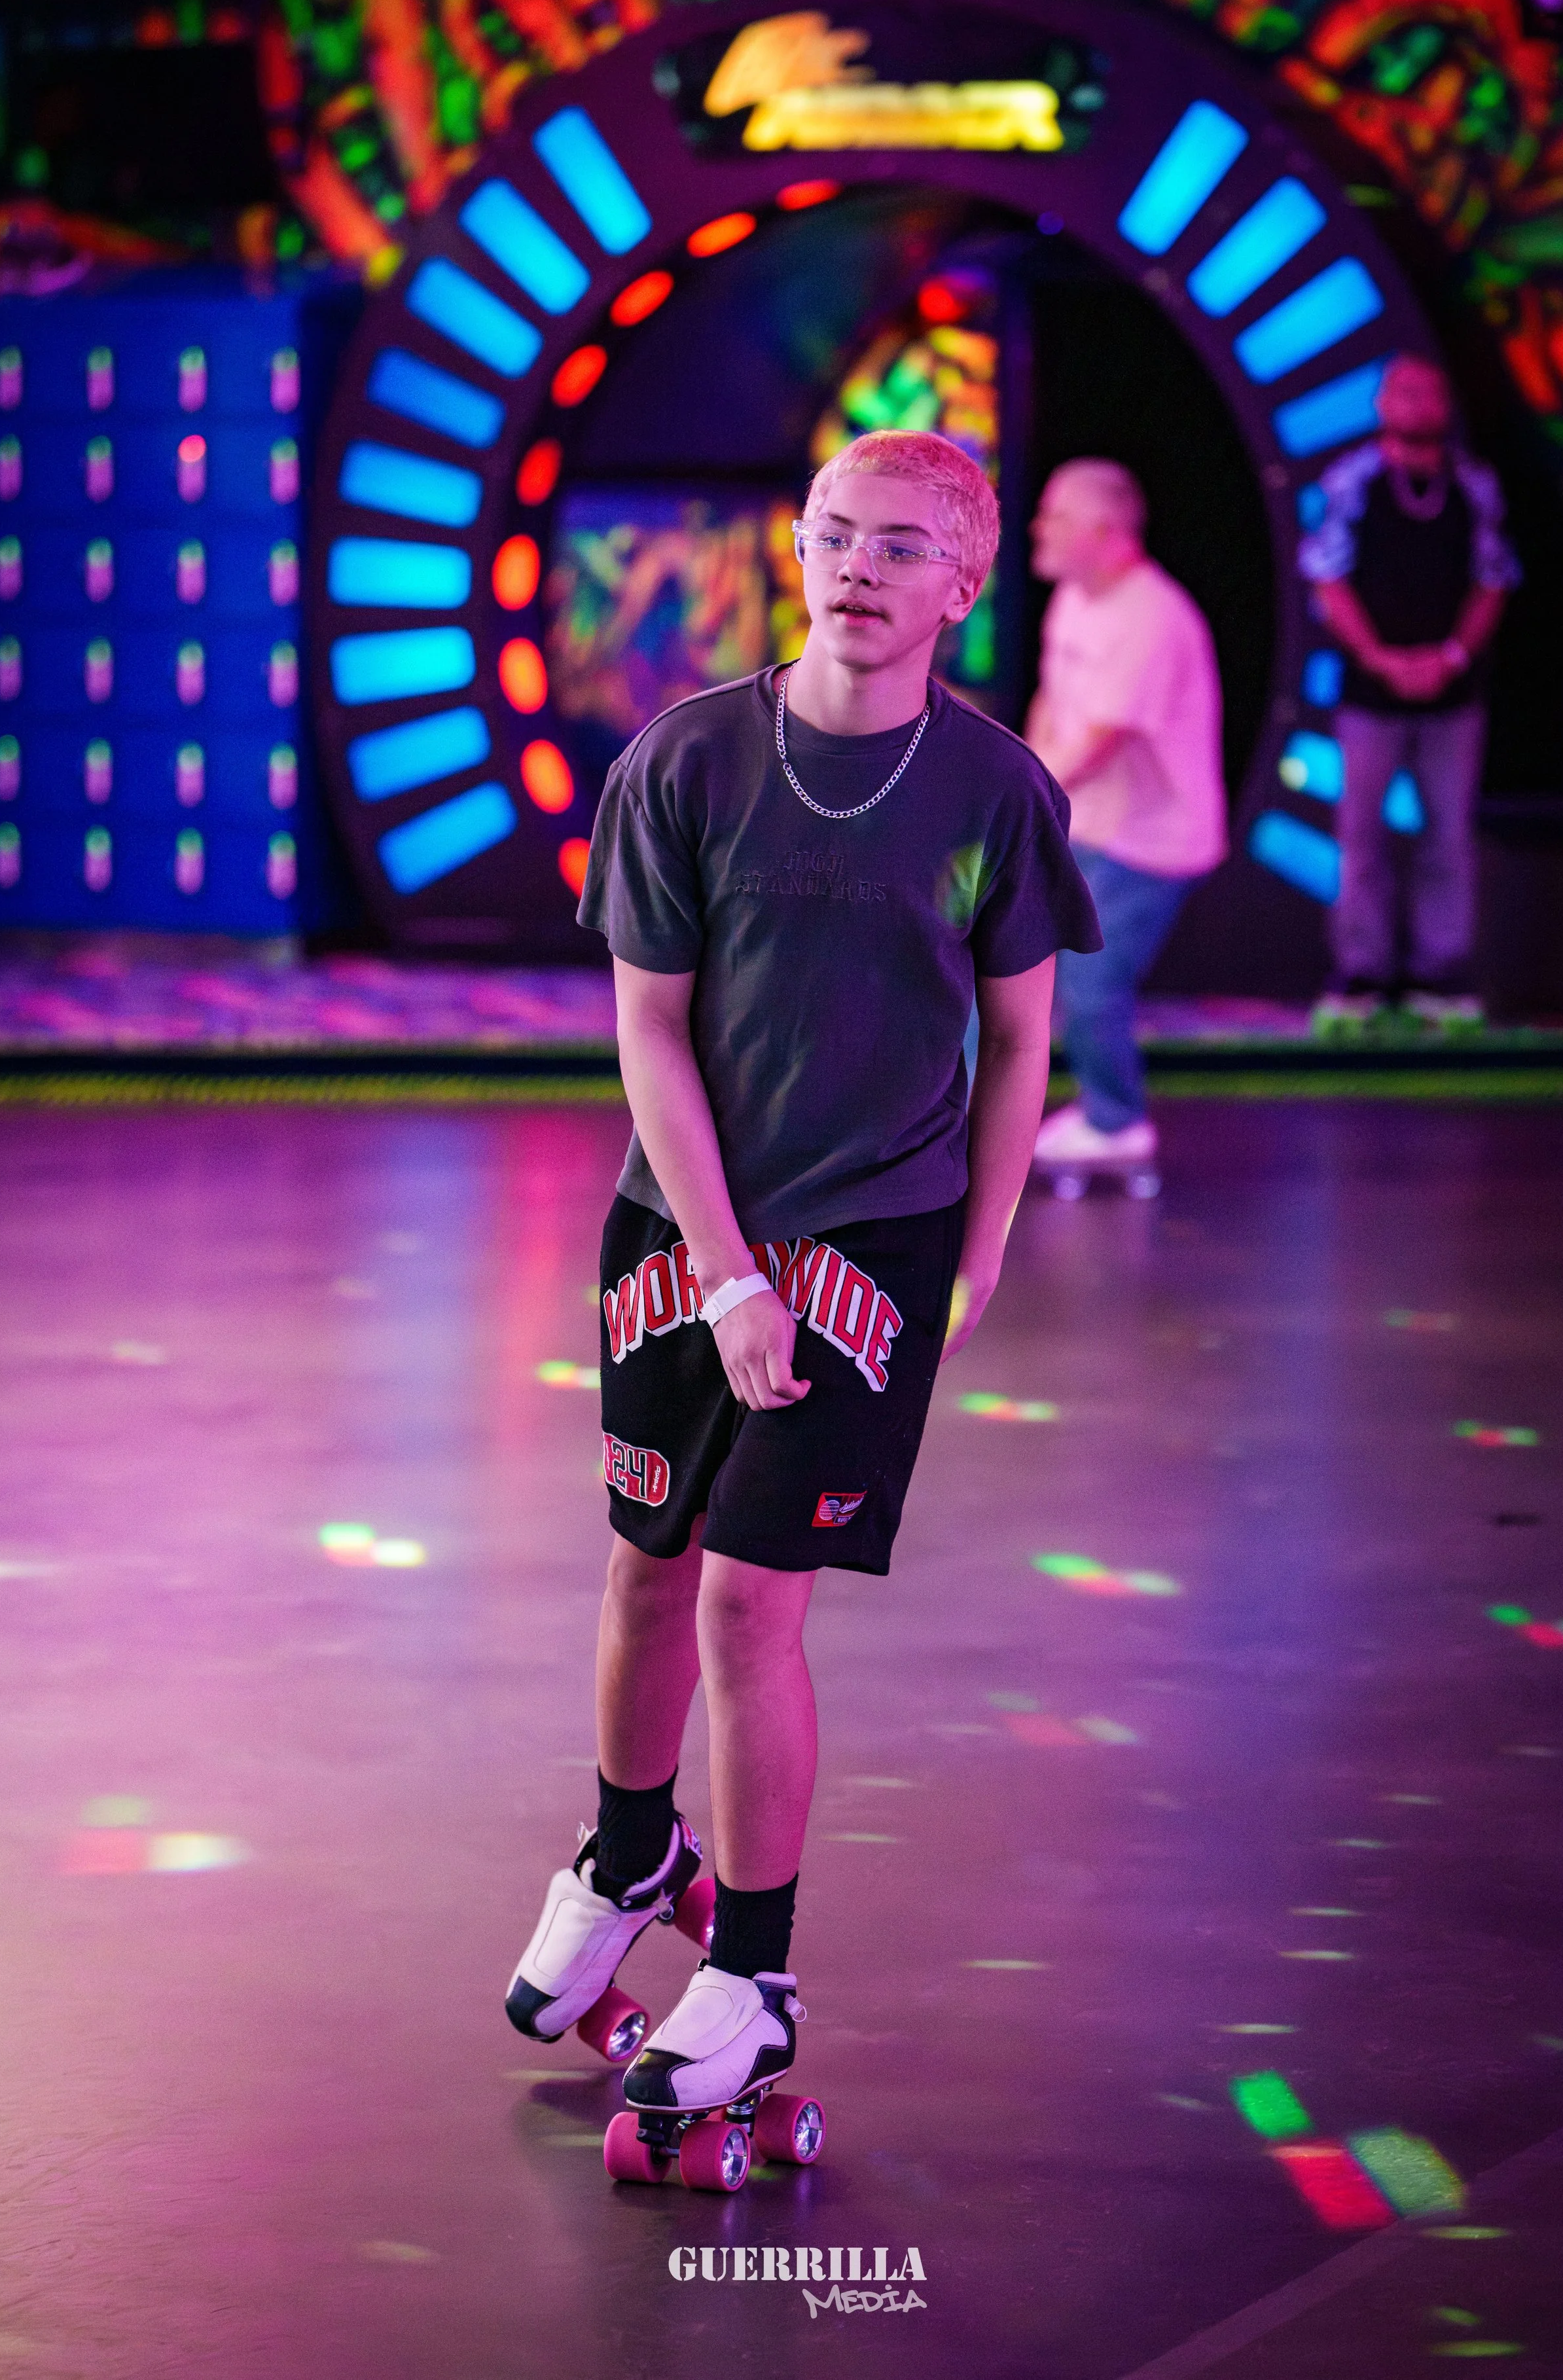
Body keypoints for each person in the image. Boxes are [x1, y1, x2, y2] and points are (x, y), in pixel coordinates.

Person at [503, 431, 1098, 2123]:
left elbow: (1017, 1042)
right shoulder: (685, 759)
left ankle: (747, 1970)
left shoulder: (994, 792)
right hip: (680, 1230)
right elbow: (647, 1028)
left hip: (871, 1240)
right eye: (833, 533)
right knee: (644, 1566)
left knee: (749, 1598)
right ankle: (627, 1852)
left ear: (962, 588)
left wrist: (974, 1250)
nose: (854, 565)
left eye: (898, 546)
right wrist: (719, 1267)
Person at [1299, 353, 1520, 1034]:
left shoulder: (1475, 486)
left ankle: (1440, 973)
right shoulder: (1353, 482)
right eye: (1407, 392)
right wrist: (1381, 659)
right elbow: (1327, 579)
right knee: (1361, 837)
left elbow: (1493, 577)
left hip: (1453, 696)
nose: (1421, 404)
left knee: (1447, 837)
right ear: (1383, 405)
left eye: (1432, 392)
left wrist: (1450, 656)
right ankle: (1363, 974)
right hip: (1371, 693)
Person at [1024, 460, 1225, 1175]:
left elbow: (1098, 742)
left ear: (1104, 532)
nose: (1037, 528)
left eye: (1055, 517)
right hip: (1093, 827)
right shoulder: (1075, 599)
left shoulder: (1149, 616)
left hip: (1151, 841)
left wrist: (1018, 796)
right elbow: (1055, 706)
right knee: (1031, 974)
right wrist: (1029, 777)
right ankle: (1083, 1112)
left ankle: (1119, 1125)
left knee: (1091, 983)